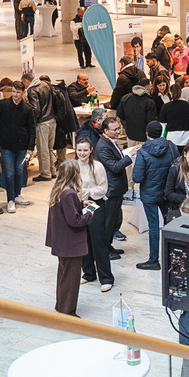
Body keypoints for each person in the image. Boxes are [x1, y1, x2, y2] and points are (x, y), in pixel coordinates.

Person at [46, 160, 94, 316]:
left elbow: (67, 210)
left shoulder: (59, 190)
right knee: (71, 280)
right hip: (71, 244)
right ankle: (67, 311)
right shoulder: (69, 193)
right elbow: (74, 220)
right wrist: (88, 214)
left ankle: (61, 305)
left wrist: (81, 204)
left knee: (63, 276)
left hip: (62, 242)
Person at [95, 117, 139, 269]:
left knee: (113, 220)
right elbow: (114, 166)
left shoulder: (109, 141)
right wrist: (129, 155)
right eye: (115, 129)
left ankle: (109, 246)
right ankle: (104, 250)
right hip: (111, 188)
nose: (118, 131)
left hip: (117, 188)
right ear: (106, 131)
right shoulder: (102, 146)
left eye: (118, 128)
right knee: (108, 221)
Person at [132, 121, 177, 270]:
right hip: (167, 193)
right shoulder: (171, 146)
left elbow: (137, 177)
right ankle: (172, 258)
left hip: (150, 194)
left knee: (153, 227)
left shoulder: (143, 151)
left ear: (147, 133)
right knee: (170, 224)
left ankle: (153, 260)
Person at [75, 136, 113, 292]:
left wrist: (85, 193)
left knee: (98, 241)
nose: (82, 153)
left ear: (91, 150)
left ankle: (106, 277)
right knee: (83, 240)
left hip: (95, 204)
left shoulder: (97, 166)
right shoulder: (73, 166)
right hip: (78, 204)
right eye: (79, 150)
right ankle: (88, 273)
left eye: (85, 150)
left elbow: (102, 188)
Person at [0, 81, 35, 213]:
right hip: (6, 145)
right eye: (14, 92)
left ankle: (17, 194)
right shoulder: (3, 105)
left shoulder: (28, 109)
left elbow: (32, 129)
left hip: (22, 145)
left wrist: (30, 147)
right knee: (9, 173)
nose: (15, 95)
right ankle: (10, 199)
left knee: (19, 171)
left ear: (23, 93)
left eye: (18, 92)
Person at [22, 73, 56, 182]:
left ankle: (45, 173)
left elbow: (35, 109)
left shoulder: (32, 90)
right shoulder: (45, 84)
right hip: (52, 120)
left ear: (26, 81)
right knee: (50, 148)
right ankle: (52, 171)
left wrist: (31, 123)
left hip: (42, 122)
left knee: (43, 149)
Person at [117, 83, 157, 148]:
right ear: (146, 88)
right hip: (144, 137)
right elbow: (151, 120)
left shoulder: (125, 98)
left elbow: (120, 114)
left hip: (130, 136)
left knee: (131, 155)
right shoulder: (149, 101)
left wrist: (126, 126)